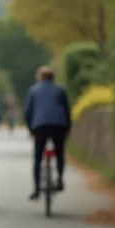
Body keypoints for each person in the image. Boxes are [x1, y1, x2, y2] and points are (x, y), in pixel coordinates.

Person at [23, 65, 71, 200]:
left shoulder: (33, 91)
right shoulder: (60, 90)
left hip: (40, 126)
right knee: (60, 153)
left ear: (39, 77)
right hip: (59, 125)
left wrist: (30, 129)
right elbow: (67, 110)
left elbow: (28, 112)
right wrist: (68, 128)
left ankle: (37, 189)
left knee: (38, 158)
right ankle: (60, 178)